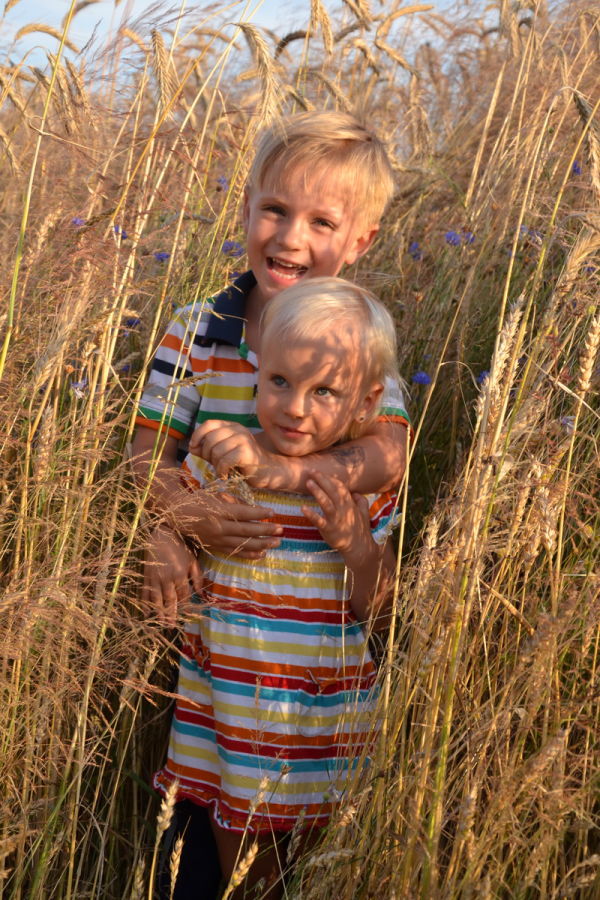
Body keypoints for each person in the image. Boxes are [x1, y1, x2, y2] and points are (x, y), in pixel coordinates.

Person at [131, 110, 410, 899]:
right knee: (215, 848)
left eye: (322, 221)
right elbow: (143, 460)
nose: (291, 237)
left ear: (360, 240)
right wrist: (170, 523)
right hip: (227, 665)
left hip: (315, 672)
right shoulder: (196, 334)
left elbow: (388, 454)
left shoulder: (355, 352)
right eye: (275, 210)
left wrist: (286, 472)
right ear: (246, 208)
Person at [156, 278, 402, 899]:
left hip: (322, 705)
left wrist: (356, 544)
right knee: (246, 874)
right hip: (228, 701)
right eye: (281, 383)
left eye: (324, 391)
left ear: (366, 404)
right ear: (258, 372)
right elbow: (162, 515)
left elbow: (381, 602)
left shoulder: (356, 486)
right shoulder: (220, 460)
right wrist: (169, 532)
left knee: (316, 869)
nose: (295, 407)